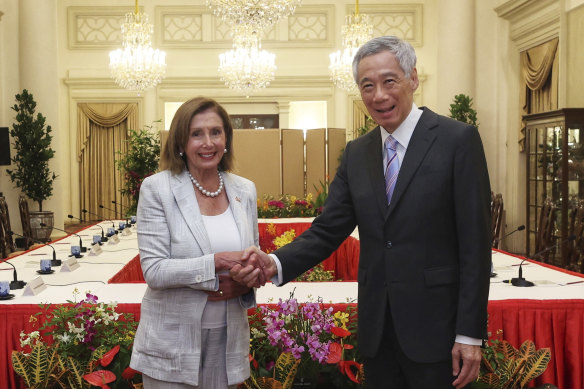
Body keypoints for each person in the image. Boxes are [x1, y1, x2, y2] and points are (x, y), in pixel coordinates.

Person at [232, 36, 492, 389]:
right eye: (367, 86)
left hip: (438, 332)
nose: (378, 96)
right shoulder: (357, 153)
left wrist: (470, 334)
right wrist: (273, 263)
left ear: (412, 78)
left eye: (389, 81)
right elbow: (328, 229)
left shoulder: (457, 140)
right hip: (377, 332)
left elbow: (475, 246)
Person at [130, 97, 258, 388]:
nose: (208, 142)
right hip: (171, 344)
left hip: (228, 341)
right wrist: (217, 263)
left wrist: (247, 280)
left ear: (226, 139)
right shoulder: (157, 189)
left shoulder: (244, 190)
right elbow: (155, 270)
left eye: (216, 132)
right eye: (196, 134)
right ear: (180, 142)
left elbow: (252, 257)